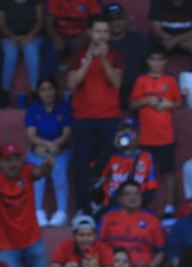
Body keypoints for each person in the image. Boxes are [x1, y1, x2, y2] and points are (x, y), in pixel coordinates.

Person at [67, 15, 124, 214]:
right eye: (98, 31)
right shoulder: (78, 55)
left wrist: (103, 59)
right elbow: (72, 83)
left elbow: (116, 82)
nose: (102, 36)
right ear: (90, 33)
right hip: (83, 118)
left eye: (106, 32)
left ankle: (107, 205)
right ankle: (83, 208)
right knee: (82, 164)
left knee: (111, 164)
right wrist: (90, 59)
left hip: (109, 117)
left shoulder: (115, 54)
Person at [129, 48, 182, 219]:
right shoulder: (141, 80)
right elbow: (132, 105)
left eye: (160, 59)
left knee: (168, 172)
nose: (157, 63)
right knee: (143, 173)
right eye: (153, 59)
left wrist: (169, 105)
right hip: (146, 137)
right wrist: (147, 101)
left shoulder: (170, 81)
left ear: (165, 62)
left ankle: (169, 207)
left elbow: (178, 103)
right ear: (148, 61)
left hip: (166, 135)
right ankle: (143, 204)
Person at [25, 77, 72, 229]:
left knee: (58, 168)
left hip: (61, 149)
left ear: (56, 90)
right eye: (43, 90)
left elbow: (66, 134)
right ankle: (37, 211)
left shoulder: (64, 108)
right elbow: (31, 135)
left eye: (50, 89)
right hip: (39, 150)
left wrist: (54, 146)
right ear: (38, 92)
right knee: (37, 169)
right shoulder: (33, 109)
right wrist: (47, 145)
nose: (47, 93)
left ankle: (62, 213)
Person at [95, 120, 158, 214]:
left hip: (138, 206)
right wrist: (112, 148)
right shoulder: (111, 155)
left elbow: (151, 187)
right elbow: (96, 172)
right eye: (124, 131)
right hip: (112, 205)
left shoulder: (146, 157)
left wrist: (138, 205)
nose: (127, 135)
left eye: (131, 131)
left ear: (138, 135)